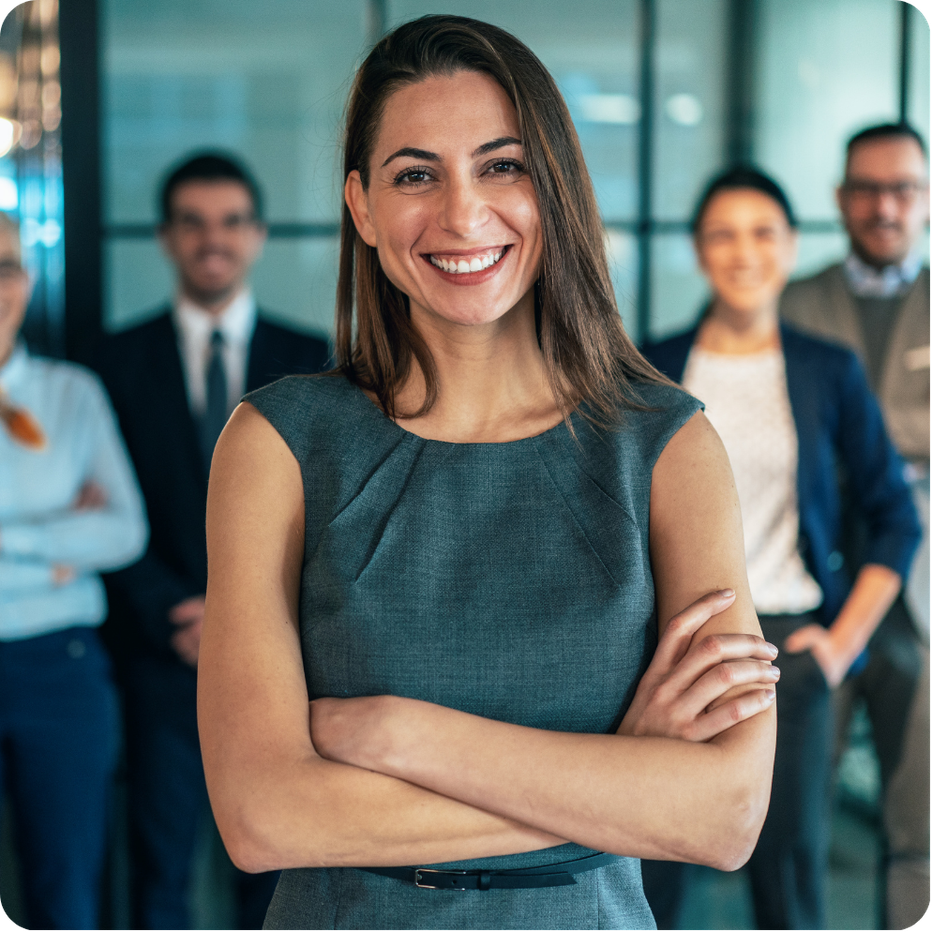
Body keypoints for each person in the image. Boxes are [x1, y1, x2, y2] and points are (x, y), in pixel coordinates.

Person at [197, 17, 781, 932]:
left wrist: (393, 734)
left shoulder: (666, 447)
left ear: (554, 185)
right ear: (361, 206)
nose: (463, 215)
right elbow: (263, 817)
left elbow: (726, 815)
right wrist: (617, 777)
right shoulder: (275, 444)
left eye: (502, 166)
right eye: (415, 175)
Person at [639, 166, 921, 931]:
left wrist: (838, 648)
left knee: (788, 878)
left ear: (791, 247)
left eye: (763, 232)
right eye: (722, 233)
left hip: (785, 656)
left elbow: (896, 518)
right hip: (672, 654)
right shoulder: (649, 366)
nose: (743, 251)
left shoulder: (827, 370)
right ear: (698, 250)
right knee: (648, 873)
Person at [94, 153, 331, 931]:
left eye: (231, 221)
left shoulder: (317, 363)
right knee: (159, 868)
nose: (213, 240)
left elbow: (330, 513)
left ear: (258, 235)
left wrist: (252, 619)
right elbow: (104, 512)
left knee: (269, 874)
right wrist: (178, 612)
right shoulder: (112, 364)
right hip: (163, 654)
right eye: (192, 222)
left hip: (283, 662)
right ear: (165, 238)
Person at [780, 122, 931, 931]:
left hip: (922, 589)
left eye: (903, 188)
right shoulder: (795, 302)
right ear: (841, 200)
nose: (885, 206)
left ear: (927, 199)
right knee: (798, 799)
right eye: (868, 189)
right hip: (817, 578)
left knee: (921, 816)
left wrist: (865, 459)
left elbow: (842, 446)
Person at [0, 211, 147, 930]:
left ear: (27, 280)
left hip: (59, 668)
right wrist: (60, 543)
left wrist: (15, 546)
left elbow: (123, 531)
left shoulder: (73, 393)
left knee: (66, 887)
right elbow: (90, 535)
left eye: (7, 265)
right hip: (55, 605)